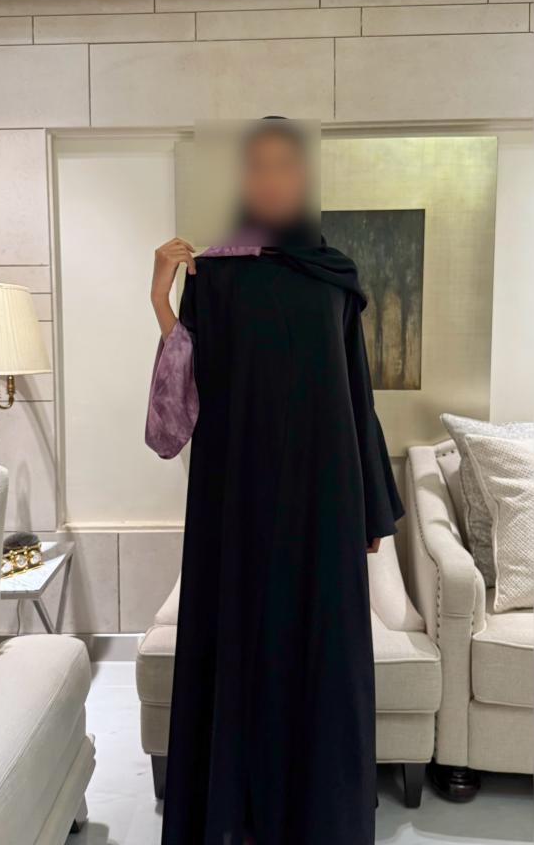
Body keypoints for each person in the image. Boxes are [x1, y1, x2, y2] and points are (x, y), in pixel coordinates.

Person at [146, 118, 404, 845]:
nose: (270, 180)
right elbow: (177, 414)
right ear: (243, 181)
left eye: (284, 166)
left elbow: (357, 395)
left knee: (321, 659)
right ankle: (241, 818)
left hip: (326, 501)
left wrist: (371, 510)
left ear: (304, 179)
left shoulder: (336, 274)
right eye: (256, 167)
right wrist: (163, 303)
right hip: (239, 500)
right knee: (244, 648)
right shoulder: (216, 275)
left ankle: (320, 820)